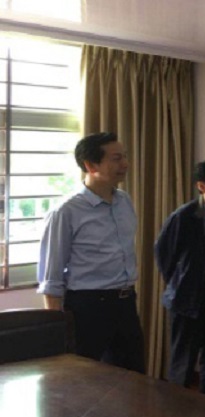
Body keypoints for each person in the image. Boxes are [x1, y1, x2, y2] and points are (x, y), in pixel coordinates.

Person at [37, 132, 145, 373]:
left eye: (125, 157)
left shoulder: (125, 201)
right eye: (116, 159)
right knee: (84, 379)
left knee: (133, 378)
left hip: (126, 302)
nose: (125, 164)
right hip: (88, 307)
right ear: (90, 165)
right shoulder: (66, 211)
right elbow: (51, 277)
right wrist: (56, 328)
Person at [155, 159, 205, 395]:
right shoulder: (184, 216)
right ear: (203, 186)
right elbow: (163, 252)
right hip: (188, 295)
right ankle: (175, 410)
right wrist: (180, 282)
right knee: (183, 361)